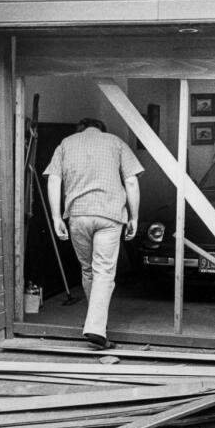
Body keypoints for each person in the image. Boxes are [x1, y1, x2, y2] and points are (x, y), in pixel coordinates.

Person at [44, 117, 143, 349]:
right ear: (102, 129)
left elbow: (53, 181)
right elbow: (131, 182)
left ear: (81, 130)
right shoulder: (116, 142)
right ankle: (95, 328)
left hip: (78, 215)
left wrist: (57, 217)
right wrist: (135, 217)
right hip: (109, 215)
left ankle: (95, 324)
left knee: (88, 270)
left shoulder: (66, 144)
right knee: (104, 271)